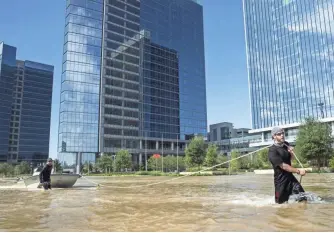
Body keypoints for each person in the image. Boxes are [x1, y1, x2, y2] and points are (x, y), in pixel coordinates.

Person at [268, 127, 306, 204]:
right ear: (274, 136)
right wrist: (298, 171)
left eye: (283, 133)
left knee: (303, 198)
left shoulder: (286, 144)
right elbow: (283, 166)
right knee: (280, 205)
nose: (282, 135)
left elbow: (291, 160)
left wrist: (291, 152)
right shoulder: (272, 150)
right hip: (280, 181)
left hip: (290, 178)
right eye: (279, 134)